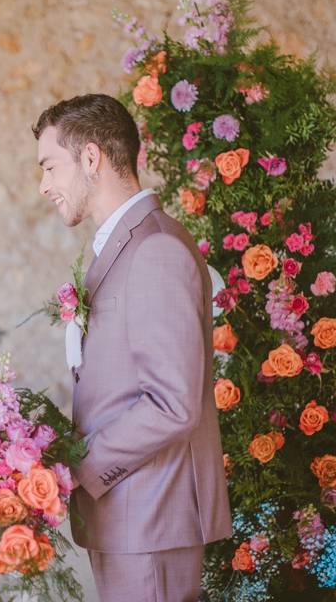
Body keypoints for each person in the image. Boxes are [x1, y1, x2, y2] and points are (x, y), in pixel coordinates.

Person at [33, 94, 232, 601]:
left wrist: (80, 466)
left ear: (92, 158)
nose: (44, 186)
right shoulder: (122, 245)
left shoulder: (156, 249)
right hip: (131, 519)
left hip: (151, 514)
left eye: (50, 167)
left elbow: (173, 405)